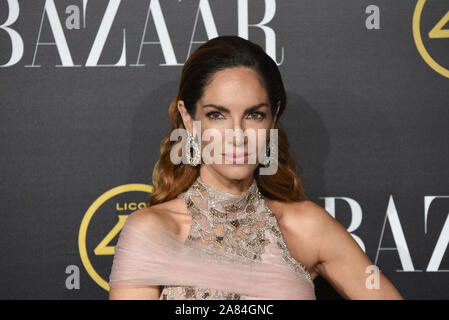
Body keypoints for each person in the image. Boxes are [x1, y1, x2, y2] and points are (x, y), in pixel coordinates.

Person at [108, 35, 403, 300]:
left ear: (273, 117)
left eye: (254, 115)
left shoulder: (306, 227)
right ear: (189, 119)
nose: (238, 136)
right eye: (217, 115)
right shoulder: (154, 230)